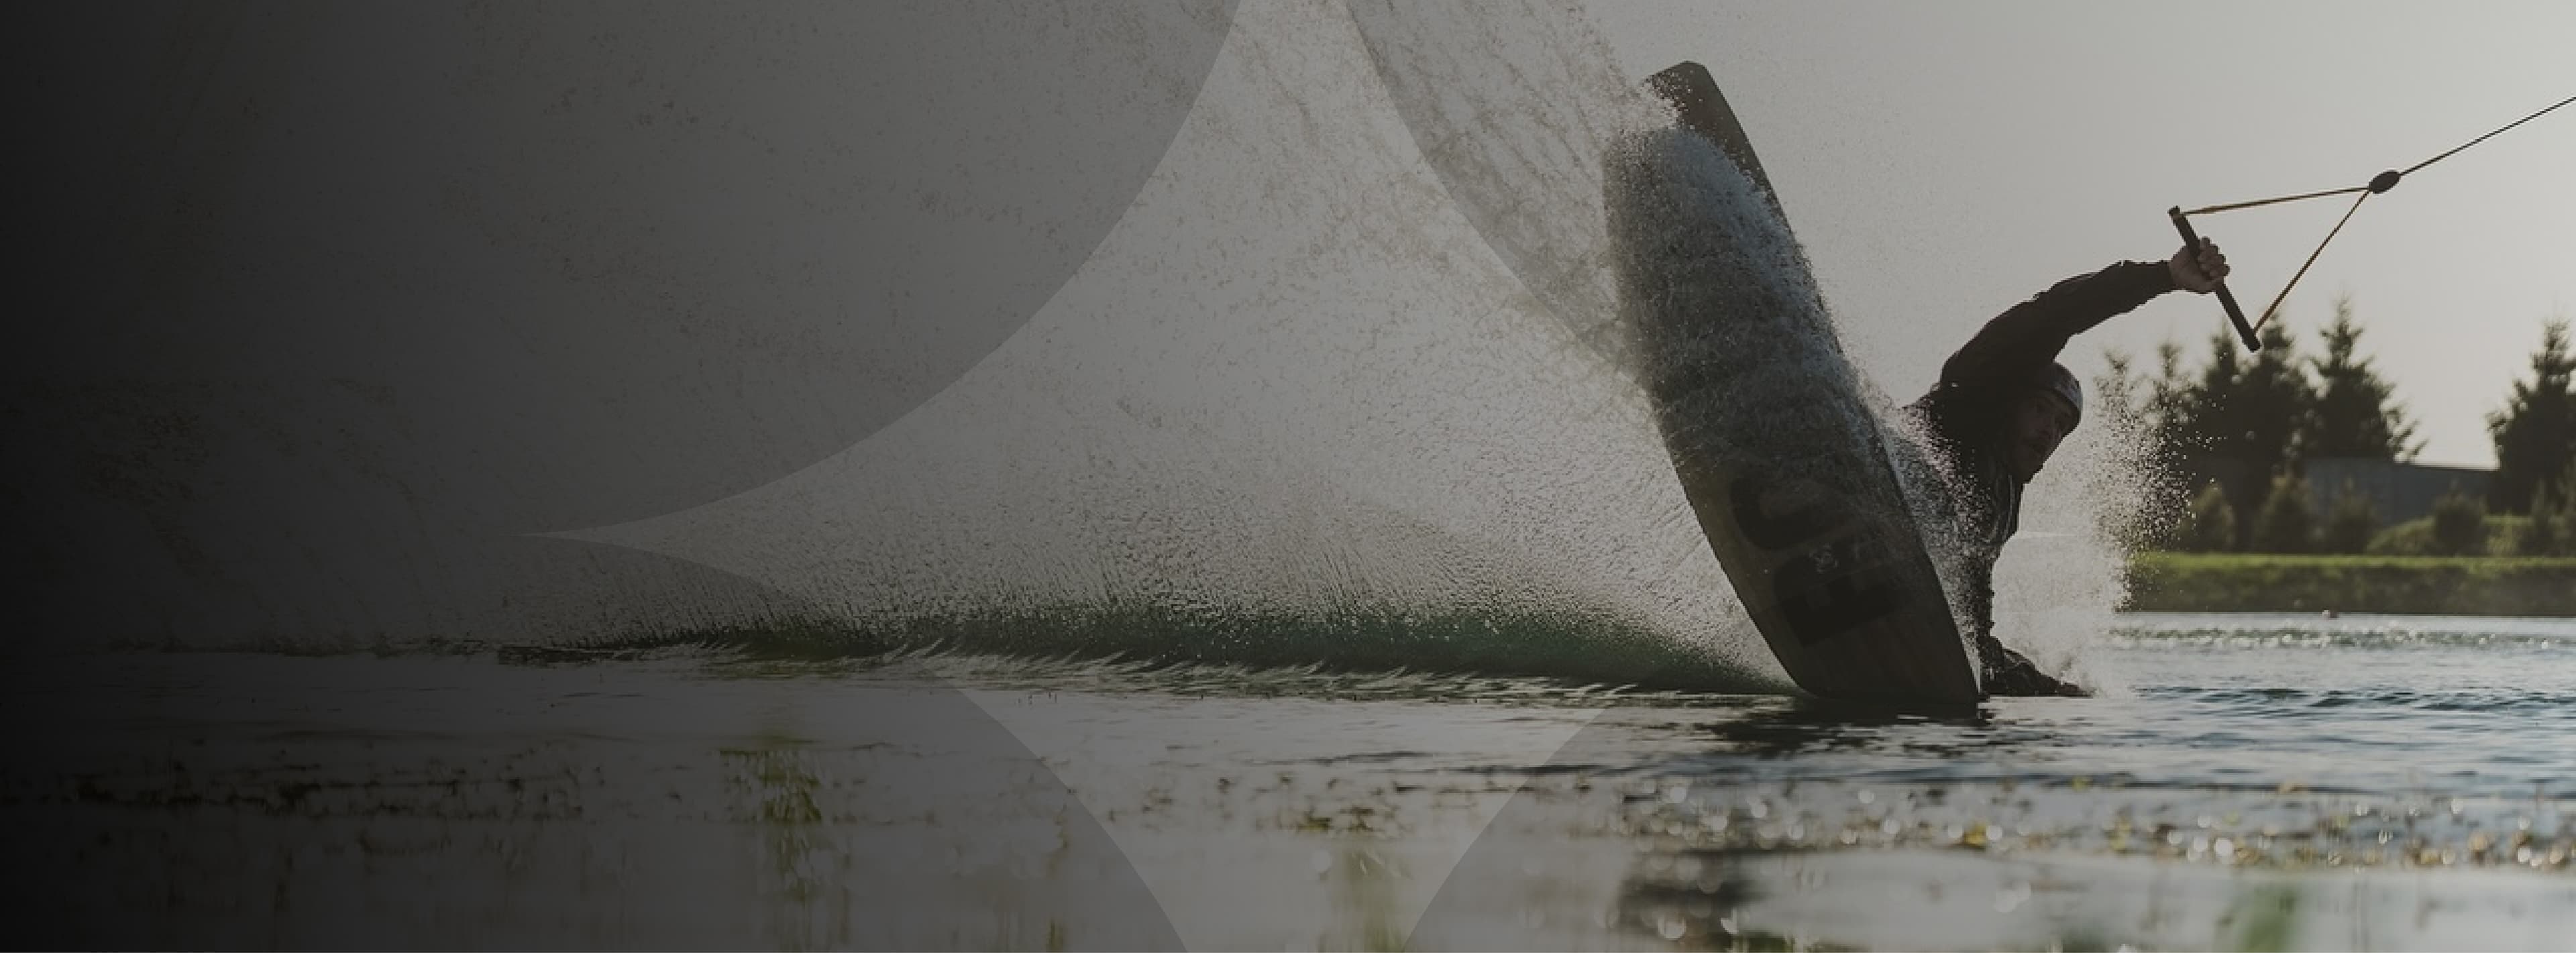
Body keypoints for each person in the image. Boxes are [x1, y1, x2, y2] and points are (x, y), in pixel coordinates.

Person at [1902, 239, 2231, 697]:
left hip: (1901, 589)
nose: (2047, 432)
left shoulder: (2003, 502)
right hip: (1859, 477)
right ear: (2010, 403)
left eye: (2061, 424)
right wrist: (2164, 277)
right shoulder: (1969, 398)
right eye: (2038, 409)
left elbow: (1971, 615)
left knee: (2051, 688)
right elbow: (2056, 313)